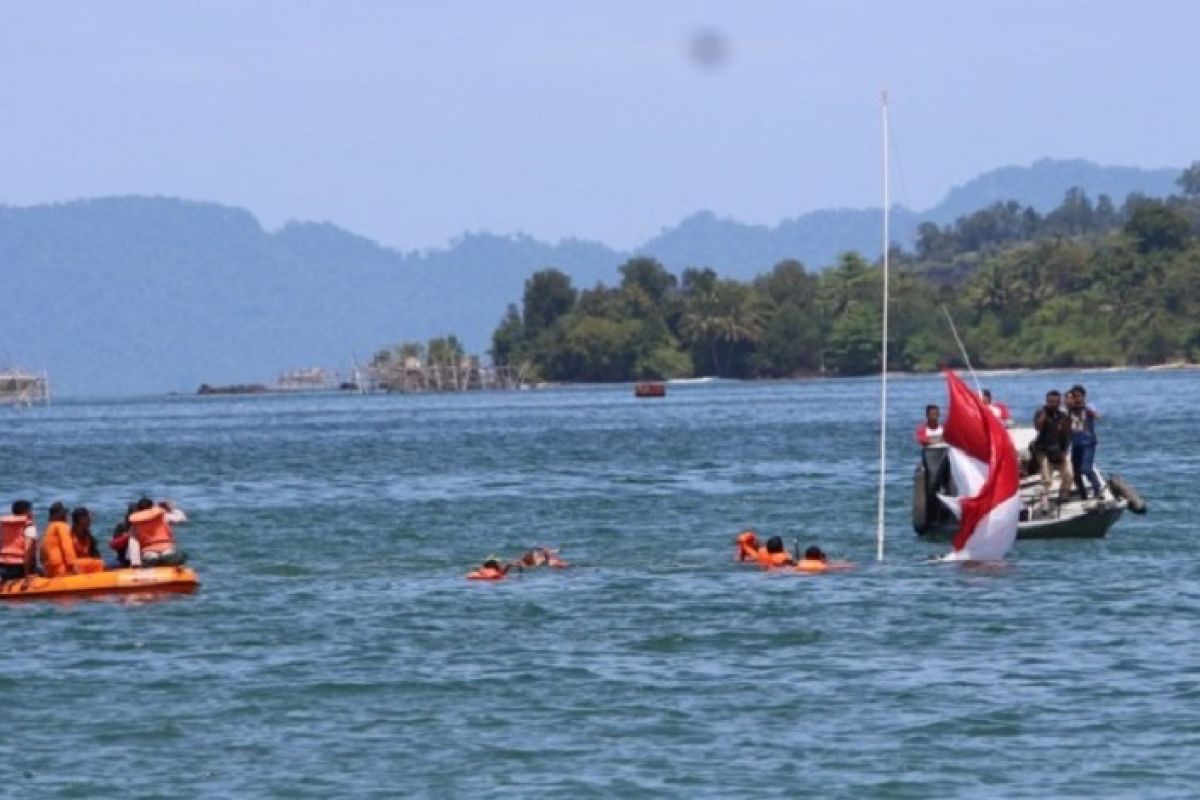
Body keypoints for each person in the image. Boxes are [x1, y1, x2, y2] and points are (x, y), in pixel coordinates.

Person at [1031, 390, 1073, 504]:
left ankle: (1063, 495)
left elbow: (1067, 434)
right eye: (1051, 402)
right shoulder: (1041, 413)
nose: (1053, 404)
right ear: (1047, 401)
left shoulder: (1062, 415)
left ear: (1059, 402)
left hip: (1059, 450)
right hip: (1043, 450)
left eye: (1056, 402)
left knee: (1068, 474)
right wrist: (1045, 413)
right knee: (1047, 479)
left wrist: (1064, 450)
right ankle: (1044, 500)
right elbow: (1038, 427)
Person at [41, 501, 102, 577]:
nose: (66, 516)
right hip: (61, 569)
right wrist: (74, 567)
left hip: (49, 570)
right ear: (60, 515)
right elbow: (67, 548)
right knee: (98, 564)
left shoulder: (48, 529)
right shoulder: (62, 526)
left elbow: (42, 556)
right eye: (64, 513)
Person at [127, 497, 186, 568]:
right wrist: (172, 508)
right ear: (152, 507)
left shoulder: (136, 523)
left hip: (149, 550)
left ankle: (153, 560)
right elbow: (182, 518)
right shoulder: (163, 516)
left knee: (150, 557)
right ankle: (168, 559)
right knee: (170, 555)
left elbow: (133, 543)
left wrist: (135, 563)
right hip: (166, 548)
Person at [1067, 385, 1103, 500]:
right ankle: (1083, 494)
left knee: (1086, 468)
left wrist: (1085, 408)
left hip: (1088, 442)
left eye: (1079, 396)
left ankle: (1097, 489)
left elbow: (1097, 416)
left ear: (1083, 396)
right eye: (1074, 396)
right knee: (1075, 472)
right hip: (1076, 444)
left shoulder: (1088, 407)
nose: (1077, 399)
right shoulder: (1069, 409)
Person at [0, 500, 38, 581]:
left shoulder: (4, 527)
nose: (32, 513)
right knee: (43, 573)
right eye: (30, 510)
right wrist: (26, 575)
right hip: (19, 568)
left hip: (3, 567)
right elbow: (28, 551)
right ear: (26, 512)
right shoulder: (29, 527)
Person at [69, 507, 106, 573]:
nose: (90, 520)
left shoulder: (90, 539)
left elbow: (97, 557)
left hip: (88, 570)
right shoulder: (68, 538)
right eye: (87, 518)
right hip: (74, 570)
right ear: (80, 520)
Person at [109, 503, 137, 568]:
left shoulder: (145, 527)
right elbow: (113, 545)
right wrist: (127, 536)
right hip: (122, 561)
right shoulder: (121, 527)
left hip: (142, 560)